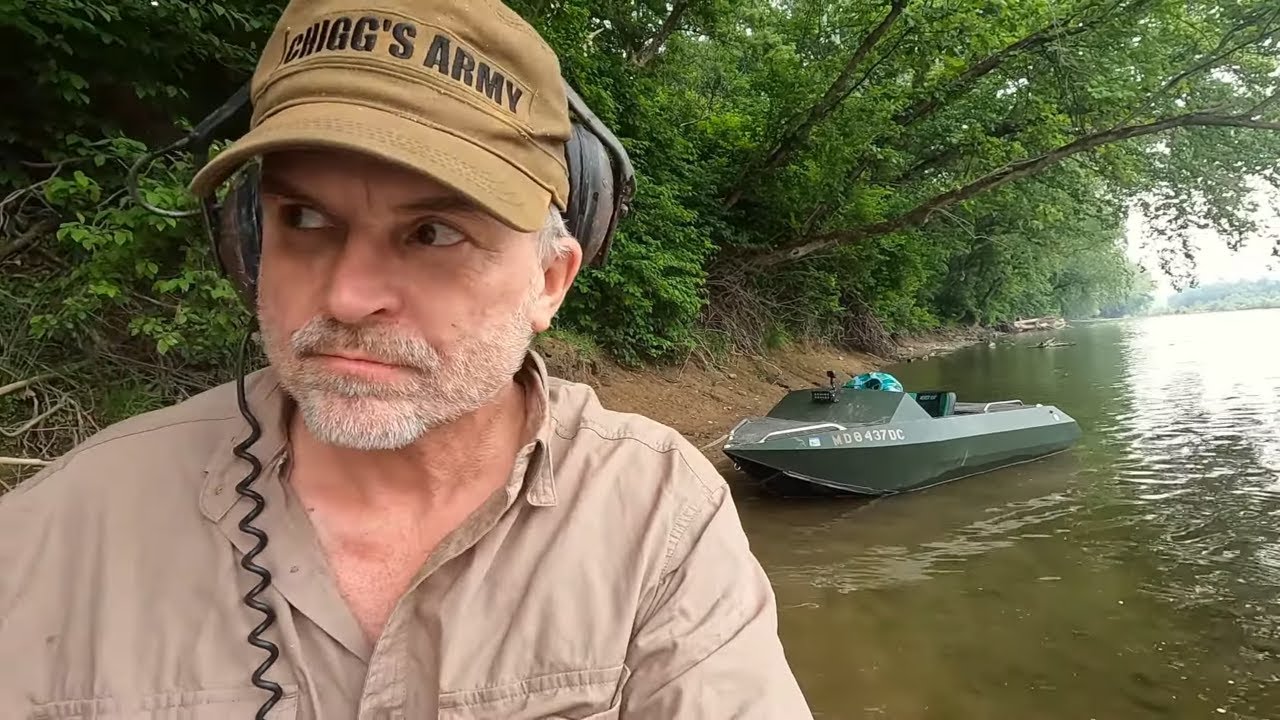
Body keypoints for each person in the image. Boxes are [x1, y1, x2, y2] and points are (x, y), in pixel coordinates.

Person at [0, 0, 814, 717]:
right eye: (306, 221)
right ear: (248, 242)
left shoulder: (655, 517)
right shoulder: (56, 532)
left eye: (433, 234)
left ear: (549, 281)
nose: (350, 296)